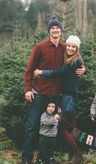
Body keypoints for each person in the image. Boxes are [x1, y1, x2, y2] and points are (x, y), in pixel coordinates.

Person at [22, 17, 85, 164]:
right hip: (38, 93)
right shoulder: (40, 47)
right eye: (53, 28)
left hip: (55, 95)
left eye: (58, 28)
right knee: (32, 126)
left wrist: (83, 68)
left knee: (52, 128)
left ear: (61, 31)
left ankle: (47, 157)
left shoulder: (65, 47)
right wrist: (27, 89)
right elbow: (29, 70)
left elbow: (75, 59)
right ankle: (26, 158)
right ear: (49, 31)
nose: (56, 30)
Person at [34, 35, 84, 164]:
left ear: (77, 49)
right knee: (72, 128)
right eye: (69, 45)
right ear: (66, 45)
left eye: (74, 46)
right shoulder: (71, 60)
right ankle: (72, 155)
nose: (70, 48)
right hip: (69, 96)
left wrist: (41, 72)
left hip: (68, 98)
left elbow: (58, 72)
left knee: (62, 128)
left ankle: (78, 156)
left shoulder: (74, 61)